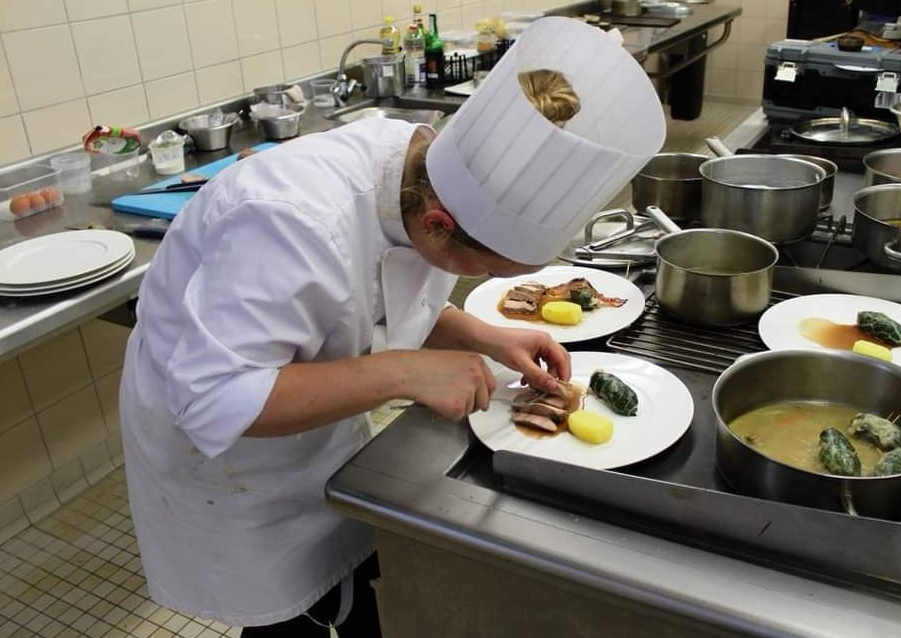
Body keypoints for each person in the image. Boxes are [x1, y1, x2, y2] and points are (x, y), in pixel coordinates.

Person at [119, 16, 665, 637]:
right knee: (283, 615)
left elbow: (377, 293)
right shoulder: (287, 221)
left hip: (314, 409)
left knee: (345, 577)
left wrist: (483, 335)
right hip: (225, 451)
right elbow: (213, 398)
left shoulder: (416, 167)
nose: (481, 277)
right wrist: (403, 371)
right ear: (437, 223)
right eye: (484, 266)